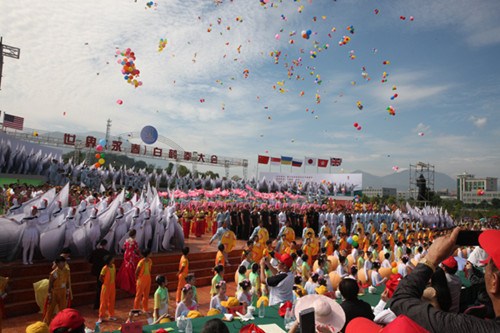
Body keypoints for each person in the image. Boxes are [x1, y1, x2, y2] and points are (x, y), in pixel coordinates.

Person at [390, 228, 500, 332]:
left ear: (494, 282)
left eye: (487, 267)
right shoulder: (457, 281)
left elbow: (400, 300)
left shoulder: (468, 327)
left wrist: (431, 259)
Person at [44, 256, 71, 324]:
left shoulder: (67, 271)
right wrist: (49, 294)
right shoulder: (54, 273)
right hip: (55, 292)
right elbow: (50, 284)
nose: (64, 264)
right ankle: (46, 323)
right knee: (50, 309)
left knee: (63, 309)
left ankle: (62, 323)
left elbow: (67, 281)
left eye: (64, 262)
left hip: (63, 291)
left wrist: (68, 290)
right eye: (62, 262)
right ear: (58, 264)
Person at [116, 229, 140, 295]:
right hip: (131, 255)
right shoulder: (134, 241)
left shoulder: (126, 240)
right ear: (134, 234)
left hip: (126, 254)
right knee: (132, 267)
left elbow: (124, 247)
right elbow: (136, 249)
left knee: (125, 266)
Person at [88, 239, 110, 310]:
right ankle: (100, 303)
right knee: (101, 288)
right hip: (103, 272)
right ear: (105, 244)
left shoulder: (95, 251)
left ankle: (98, 303)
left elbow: (90, 260)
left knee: (99, 286)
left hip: (96, 271)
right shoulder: (106, 252)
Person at [98, 254, 116, 323]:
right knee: (103, 302)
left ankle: (111, 315)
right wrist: (105, 283)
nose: (113, 260)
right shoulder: (105, 268)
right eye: (112, 259)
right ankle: (101, 316)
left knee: (111, 301)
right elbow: (100, 277)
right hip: (106, 286)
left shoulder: (113, 266)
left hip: (112, 286)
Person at [134, 248, 153, 313]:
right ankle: (136, 310)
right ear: (147, 254)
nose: (151, 254)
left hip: (148, 279)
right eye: (150, 253)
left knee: (146, 295)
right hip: (141, 279)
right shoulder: (141, 262)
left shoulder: (150, 261)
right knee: (138, 295)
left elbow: (149, 270)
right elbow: (137, 271)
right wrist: (137, 279)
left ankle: (145, 308)